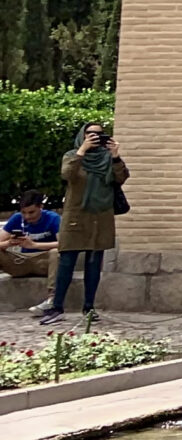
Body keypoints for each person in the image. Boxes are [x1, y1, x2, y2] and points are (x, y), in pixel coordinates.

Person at [44, 123, 127, 325]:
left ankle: (89, 307)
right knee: (66, 261)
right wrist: (82, 150)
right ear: (83, 135)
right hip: (76, 216)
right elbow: (68, 175)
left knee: (93, 264)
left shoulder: (107, 159)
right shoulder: (72, 155)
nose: (95, 137)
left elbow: (121, 178)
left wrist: (115, 156)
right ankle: (57, 307)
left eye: (99, 134)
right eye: (90, 134)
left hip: (101, 217)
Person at [4, 187, 59, 281]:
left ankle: (52, 293)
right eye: (23, 212)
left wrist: (34, 245)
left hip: (44, 261)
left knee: (56, 253)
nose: (27, 216)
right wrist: (10, 242)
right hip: (22, 261)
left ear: (41, 207)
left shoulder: (53, 218)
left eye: (31, 212)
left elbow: (63, 244)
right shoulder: (17, 218)